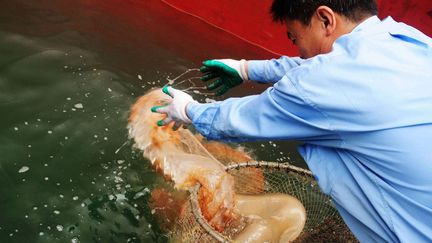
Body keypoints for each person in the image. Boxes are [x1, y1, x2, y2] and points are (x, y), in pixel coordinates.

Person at [151, 0, 432, 242]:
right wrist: (246, 69)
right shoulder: (408, 40)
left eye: (295, 38)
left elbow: (240, 120)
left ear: (325, 19)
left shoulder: (327, 80)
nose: (298, 50)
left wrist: (189, 111)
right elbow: (321, 67)